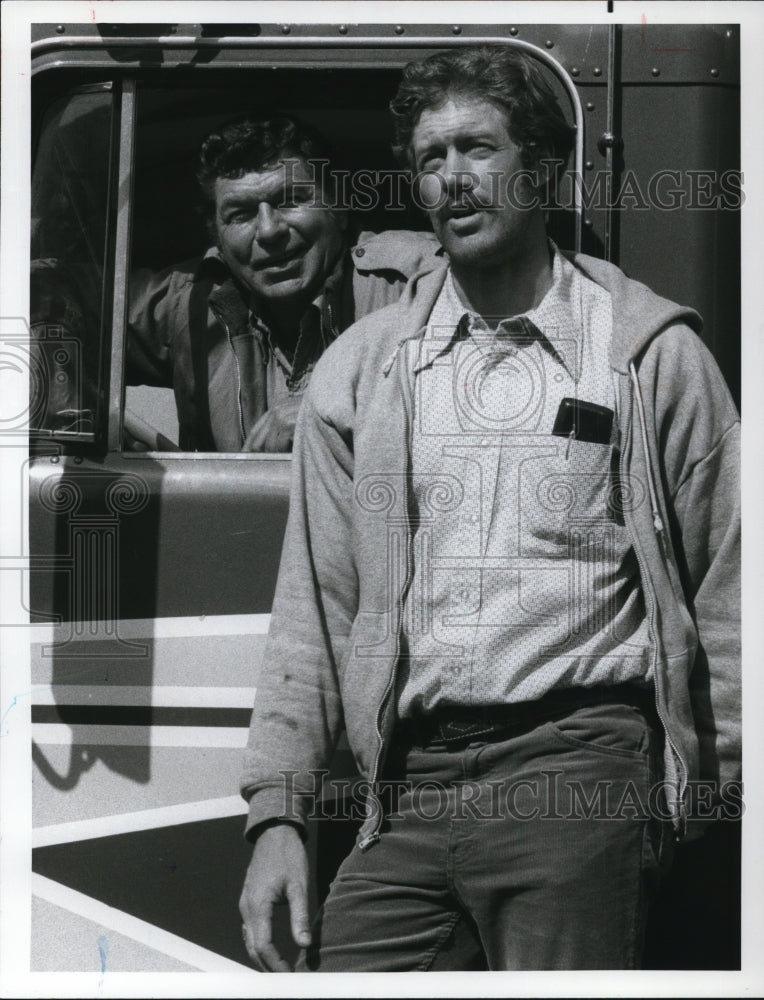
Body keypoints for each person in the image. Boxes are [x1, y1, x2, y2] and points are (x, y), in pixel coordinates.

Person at [238, 46, 741, 971]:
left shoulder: (648, 354)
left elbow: (731, 586)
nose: (452, 179)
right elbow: (315, 608)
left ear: (543, 170)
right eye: (431, 158)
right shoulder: (365, 369)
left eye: (478, 149)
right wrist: (277, 815)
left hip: (578, 773)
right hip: (411, 789)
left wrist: (716, 806)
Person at [126, 114, 441, 451]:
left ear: (339, 206)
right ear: (215, 234)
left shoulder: (417, 281)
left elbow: (489, 401)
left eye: (290, 200)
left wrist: (336, 413)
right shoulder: (190, 301)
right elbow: (70, 312)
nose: (268, 230)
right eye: (241, 215)